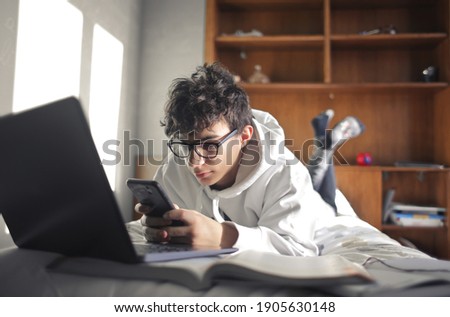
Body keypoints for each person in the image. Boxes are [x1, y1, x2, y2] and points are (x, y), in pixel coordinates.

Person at [136, 62, 363, 256]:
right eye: (187, 145)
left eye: (210, 145)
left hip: (318, 208)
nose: (194, 161)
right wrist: (159, 229)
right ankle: (325, 143)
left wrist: (223, 236)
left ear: (244, 136)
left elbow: (298, 250)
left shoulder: (286, 172)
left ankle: (325, 147)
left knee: (325, 196)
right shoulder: (175, 166)